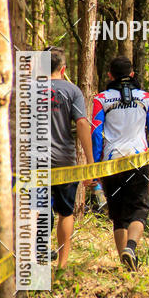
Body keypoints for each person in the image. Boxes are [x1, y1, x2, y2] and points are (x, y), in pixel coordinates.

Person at [91, 55, 149, 271]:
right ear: (132, 74)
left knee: (118, 214)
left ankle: (125, 263)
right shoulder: (146, 98)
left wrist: (95, 168)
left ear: (110, 75)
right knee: (139, 208)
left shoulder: (100, 99)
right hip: (138, 159)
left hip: (111, 163)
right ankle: (130, 248)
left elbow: (96, 133)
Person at [47, 46, 94, 269]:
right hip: (64, 160)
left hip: (34, 161)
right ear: (63, 69)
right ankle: (62, 266)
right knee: (65, 212)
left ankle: (36, 257)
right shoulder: (72, 91)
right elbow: (82, 123)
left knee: (36, 208)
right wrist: (90, 161)